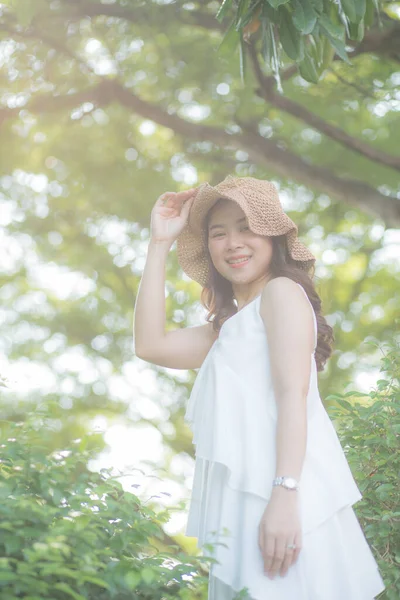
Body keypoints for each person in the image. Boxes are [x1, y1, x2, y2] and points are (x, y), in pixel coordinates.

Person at [134, 175, 386, 600]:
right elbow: (150, 345)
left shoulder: (281, 293)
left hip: (283, 500)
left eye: (246, 227)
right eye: (218, 233)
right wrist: (159, 243)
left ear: (273, 236)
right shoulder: (228, 330)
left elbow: (294, 397)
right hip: (249, 504)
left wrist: (286, 497)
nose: (232, 242)